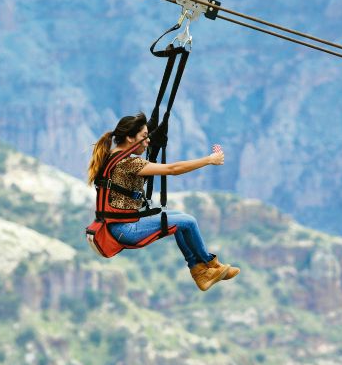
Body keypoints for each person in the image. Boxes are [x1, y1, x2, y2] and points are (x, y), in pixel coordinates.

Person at [88, 113, 239, 291]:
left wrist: (152, 131)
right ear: (129, 138)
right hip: (126, 229)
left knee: (179, 218)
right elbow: (172, 169)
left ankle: (199, 270)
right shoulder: (128, 163)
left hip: (119, 225)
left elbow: (144, 146)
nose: (147, 142)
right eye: (144, 137)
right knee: (188, 221)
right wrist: (209, 160)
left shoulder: (112, 156)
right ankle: (209, 266)